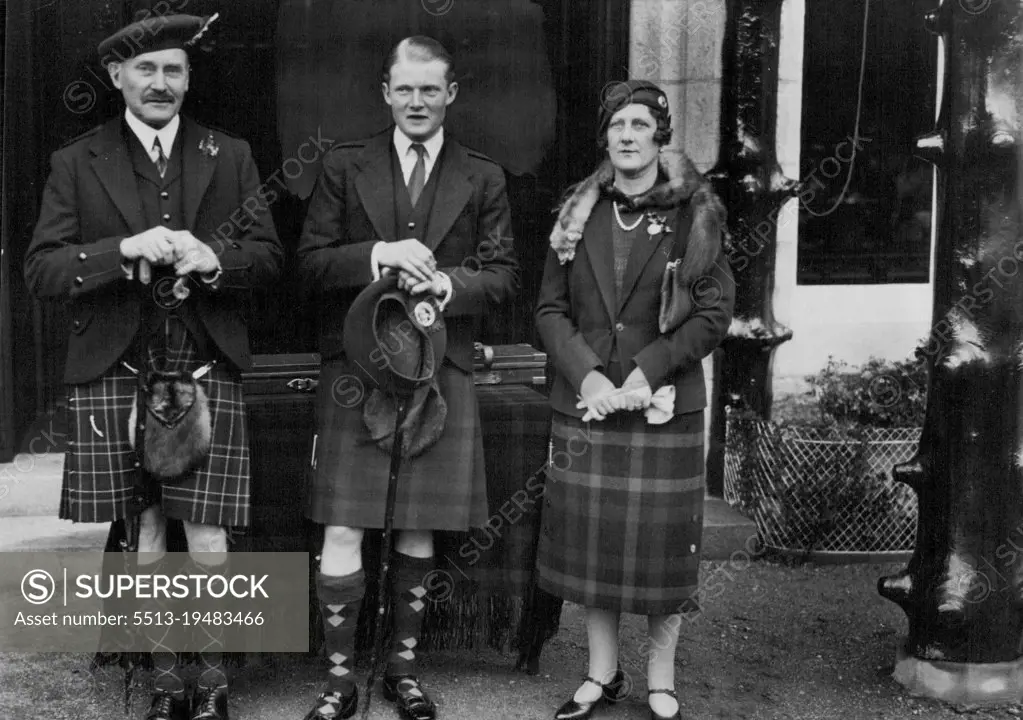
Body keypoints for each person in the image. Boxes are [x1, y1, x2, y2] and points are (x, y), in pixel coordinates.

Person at [23, 11, 282, 720]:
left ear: (189, 77)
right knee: (142, 537)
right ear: (117, 78)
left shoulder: (229, 155)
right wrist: (122, 250)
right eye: (145, 70)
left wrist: (215, 259)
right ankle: (168, 682)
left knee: (209, 539)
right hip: (116, 369)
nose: (160, 83)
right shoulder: (76, 162)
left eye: (173, 70)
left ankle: (215, 681)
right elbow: (41, 270)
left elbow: (269, 260)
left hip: (204, 367)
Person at [297, 35, 518, 720]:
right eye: (405, 89)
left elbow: (505, 276)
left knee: (419, 527)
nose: (417, 101)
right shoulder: (343, 167)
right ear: (385, 93)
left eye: (431, 89)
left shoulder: (483, 176)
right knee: (342, 525)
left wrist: (449, 287)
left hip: (437, 369)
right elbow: (308, 264)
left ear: (450, 94)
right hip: (357, 370)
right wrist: (377, 254)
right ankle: (338, 680)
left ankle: (402, 673)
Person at [534, 79, 734, 720]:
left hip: (663, 405)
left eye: (640, 125)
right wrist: (588, 376)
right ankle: (600, 674)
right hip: (588, 403)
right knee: (595, 550)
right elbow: (549, 308)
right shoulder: (577, 212)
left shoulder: (694, 212)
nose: (627, 136)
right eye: (617, 125)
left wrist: (650, 369)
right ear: (605, 136)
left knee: (660, 549)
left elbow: (714, 311)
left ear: (659, 135)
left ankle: (661, 679)